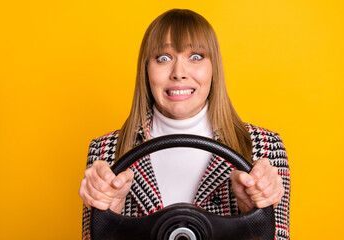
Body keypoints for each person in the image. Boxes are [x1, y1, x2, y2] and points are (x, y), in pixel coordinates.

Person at [79, 9, 290, 240]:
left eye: (196, 56)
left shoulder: (263, 146)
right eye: (164, 58)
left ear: (214, 68)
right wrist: (112, 212)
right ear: (146, 69)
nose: (179, 73)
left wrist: (251, 214)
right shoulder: (106, 150)